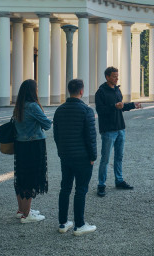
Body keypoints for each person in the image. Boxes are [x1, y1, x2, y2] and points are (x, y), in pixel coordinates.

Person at [53, 79, 98, 235]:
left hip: (66, 156)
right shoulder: (86, 111)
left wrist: (61, 152)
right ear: (81, 91)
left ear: (68, 91)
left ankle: (63, 222)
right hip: (83, 157)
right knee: (81, 190)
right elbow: (90, 137)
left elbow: (56, 135)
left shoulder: (59, 110)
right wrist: (93, 156)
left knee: (65, 188)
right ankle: (79, 224)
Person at [95, 66, 141, 197]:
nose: (116, 78)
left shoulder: (117, 90)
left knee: (119, 157)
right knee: (105, 158)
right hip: (108, 130)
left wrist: (132, 105)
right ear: (107, 77)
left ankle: (119, 180)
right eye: (114, 76)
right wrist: (114, 106)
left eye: (117, 76)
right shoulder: (101, 92)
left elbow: (120, 107)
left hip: (120, 128)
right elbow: (100, 110)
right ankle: (101, 184)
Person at [13, 79, 52, 223]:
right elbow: (47, 124)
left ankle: (21, 210)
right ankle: (27, 214)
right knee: (31, 178)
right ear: (32, 91)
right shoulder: (33, 106)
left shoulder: (19, 106)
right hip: (34, 145)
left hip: (20, 145)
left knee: (21, 177)